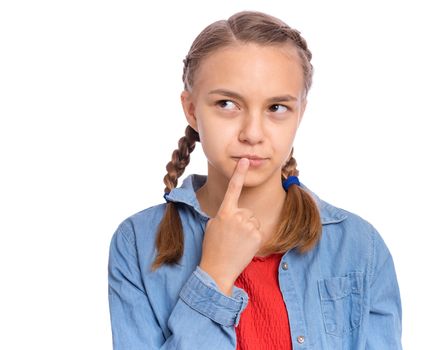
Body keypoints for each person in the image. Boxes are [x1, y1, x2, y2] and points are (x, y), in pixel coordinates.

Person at [108, 10, 402, 350]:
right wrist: (214, 276)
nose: (252, 133)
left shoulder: (359, 246)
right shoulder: (138, 243)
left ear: (300, 113)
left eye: (276, 108)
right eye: (227, 104)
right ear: (191, 109)